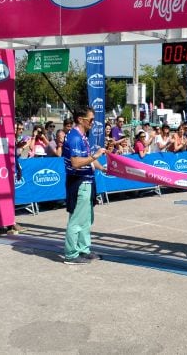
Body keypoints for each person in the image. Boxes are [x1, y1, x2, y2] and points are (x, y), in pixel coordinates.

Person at [62, 106, 107, 265]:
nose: (93, 123)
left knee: (87, 219)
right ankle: (71, 254)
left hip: (87, 181)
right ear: (81, 120)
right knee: (77, 219)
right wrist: (96, 155)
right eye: (91, 120)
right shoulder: (74, 137)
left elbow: (87, 157)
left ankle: (83, 249)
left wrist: (102, 167)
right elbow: (75, 163)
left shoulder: (82, 136)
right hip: (79, 182)